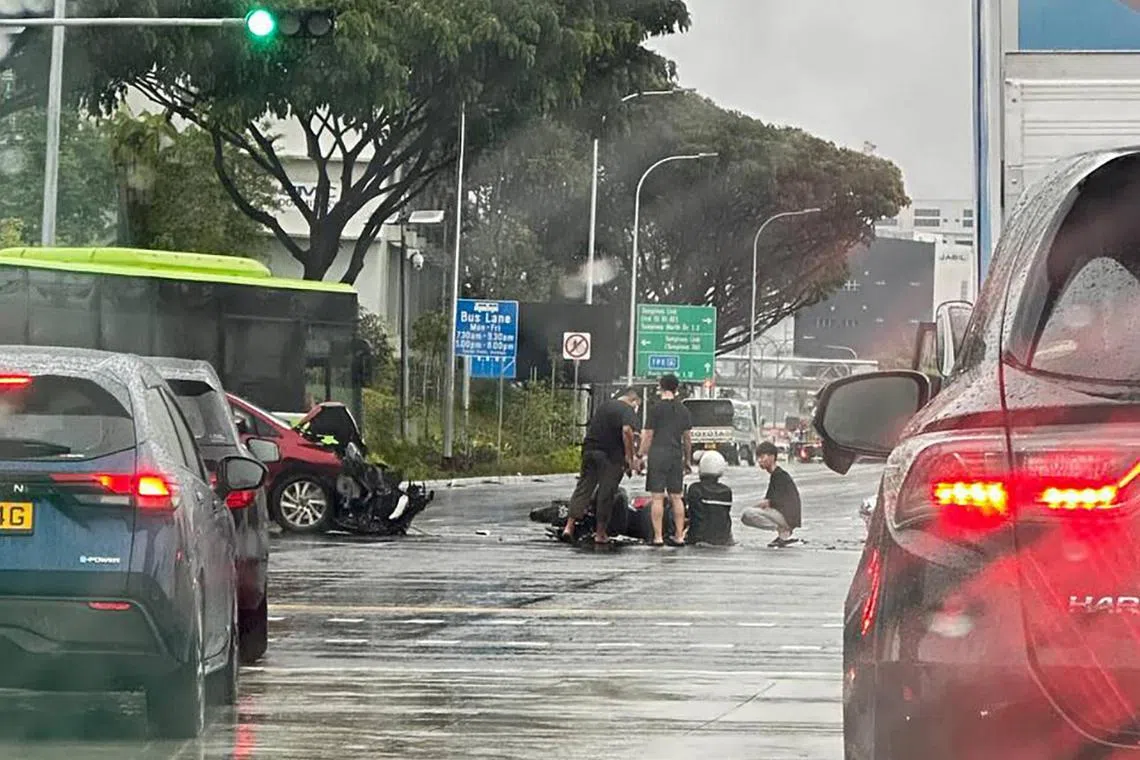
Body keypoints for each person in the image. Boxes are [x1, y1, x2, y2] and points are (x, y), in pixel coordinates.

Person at [562, 388, 640, 545]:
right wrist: (629, 458)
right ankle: (600, 533)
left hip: (590, 451)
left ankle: (569, 527)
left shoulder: (604, 406)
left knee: (583, 488)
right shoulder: (627, 410)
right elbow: (627, 431)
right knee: (606, 493)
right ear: (634, 400)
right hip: (610, 457)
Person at [637, 374, 692, 547]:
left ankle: (658, 537)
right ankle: (679, 536)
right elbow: (688, 438)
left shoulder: (655, 409)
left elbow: (648, 435)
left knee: (658, 498)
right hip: (676, 454)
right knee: (677, 497)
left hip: (658, 454)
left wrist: (640, 455)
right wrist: (687, 460)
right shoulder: (683, 410)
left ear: (660, 387)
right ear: (677, 388)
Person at [741, 440, 802, 547]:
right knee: (749, 513)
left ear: (772, 457)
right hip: (787, 515)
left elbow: (768, 502)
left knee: (747, 513)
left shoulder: (779, 476)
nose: (759, 461)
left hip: (787, 517)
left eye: (762, 457)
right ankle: (783, 535)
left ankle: (783, 530)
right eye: (758, 458)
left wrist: (756, 506)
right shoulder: (776, 474)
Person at [685, 450, 734, 546]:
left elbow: (692, 513)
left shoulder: (695, 488)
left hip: (698, 537)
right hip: (723, 537)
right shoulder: (726, 491)